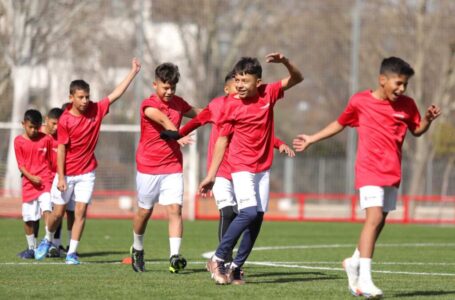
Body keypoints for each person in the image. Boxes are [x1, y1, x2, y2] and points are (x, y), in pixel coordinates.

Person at [293, 57, 441, 298]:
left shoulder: (407, 104)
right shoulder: (360, 101)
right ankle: (364, 280)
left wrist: (427, 120)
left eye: (405, 85)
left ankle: (353, 261)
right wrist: (312, 138)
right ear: (382, 80)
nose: (402, 89)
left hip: (392, 171)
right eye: (399, 83)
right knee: (373, 218)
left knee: (380, 221)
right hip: (368, 169)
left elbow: (416, 131)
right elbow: (339, 124)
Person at [162, 71, 295, 268]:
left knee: (251, 215)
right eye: (237, 84)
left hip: (243, 167)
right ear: (227, 89)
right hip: (221, 168)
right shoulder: (218, 105)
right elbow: (197, 121)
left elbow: (260, 134)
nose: (241, 88)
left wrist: (279, 143)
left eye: (244, 83)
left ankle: (231, 263)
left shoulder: (249, 106)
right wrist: (178, 133)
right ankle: (223, 260)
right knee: (228, 212)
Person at [199, 53, 303, 284]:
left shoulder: (269, 93)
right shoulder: (230, 107)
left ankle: (236, 267)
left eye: (245, 81)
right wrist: (211, 175)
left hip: (263, 168)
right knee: (248, 212)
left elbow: (298, 78)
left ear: (258, 82)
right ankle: (217, 258)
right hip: (241, 166)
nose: (239, 85)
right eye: (237, 80)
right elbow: (222, 141)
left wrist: (286, 61)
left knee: (256, 220)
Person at [34, 58, 141, 264]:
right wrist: (62, 176)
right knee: (57, 213)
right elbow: (62, 148)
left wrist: (133, 72)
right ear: (71, 97)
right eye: (81, 97)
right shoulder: (65, 119)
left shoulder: (96, 109)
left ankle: (72, 253)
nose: (85, 101)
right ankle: (47, 239)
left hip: (87, 172)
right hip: (66, 173)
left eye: (87, 96)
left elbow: (116, 94)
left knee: (81, 211)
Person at [130, 62, 199, 273]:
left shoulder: (178, 103)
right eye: (165, 88)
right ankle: (137, 248)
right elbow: (166, 122)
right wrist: (180, 134)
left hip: (172, 166)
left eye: (172, 88)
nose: (169, 92)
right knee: (144, 212)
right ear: (155, 85)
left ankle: (174, 257)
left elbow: (199, 113)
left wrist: (220, 114)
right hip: (148, 166)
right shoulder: (148, 105)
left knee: (175, 210)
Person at [14, 109, 53, 259]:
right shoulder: (18, 141)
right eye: (30, 127)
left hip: (45, 182)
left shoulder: (46, 139)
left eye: (37, 127)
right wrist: (31, 177)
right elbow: (21, 164)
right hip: (29, 183)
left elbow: (51, 160)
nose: (34, 130)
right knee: (28, 218)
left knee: (47, 209)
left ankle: (48, 240)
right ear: (23, 124)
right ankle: (32, 247)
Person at [41, 107, 75, 257]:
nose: (55, 127)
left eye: (58, 124)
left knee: (61, 212)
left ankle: (57, 244)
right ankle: (46, 243)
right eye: (53, 123)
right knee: (49, 211)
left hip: (61, 178)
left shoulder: (64, 138)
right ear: (47, 120)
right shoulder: (42, 137)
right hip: (45, 180)